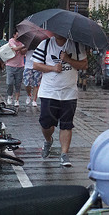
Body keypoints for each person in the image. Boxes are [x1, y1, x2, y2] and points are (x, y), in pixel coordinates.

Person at [33, 34, 88, 167]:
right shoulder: (45, 44)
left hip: (69, 92)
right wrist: (52, 68)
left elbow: (84, 65)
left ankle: (64, 154)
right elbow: (36, 65)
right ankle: (48, 140)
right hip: (49, 92)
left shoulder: (76, 45)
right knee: (46, 124)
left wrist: (68, 59)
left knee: (66, 124)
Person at [5, 30, 26, 107]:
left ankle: (17, 100)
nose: (18, 37)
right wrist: (23, 46)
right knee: (9, 83)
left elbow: (23, 52)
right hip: (10, 65)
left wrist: (22, 47)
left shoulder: (22, 42)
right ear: (14, 35)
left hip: (20, 66)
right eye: (17, 36)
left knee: (18, 84)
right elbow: (15, 49)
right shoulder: (11, 41)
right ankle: (10, 95)